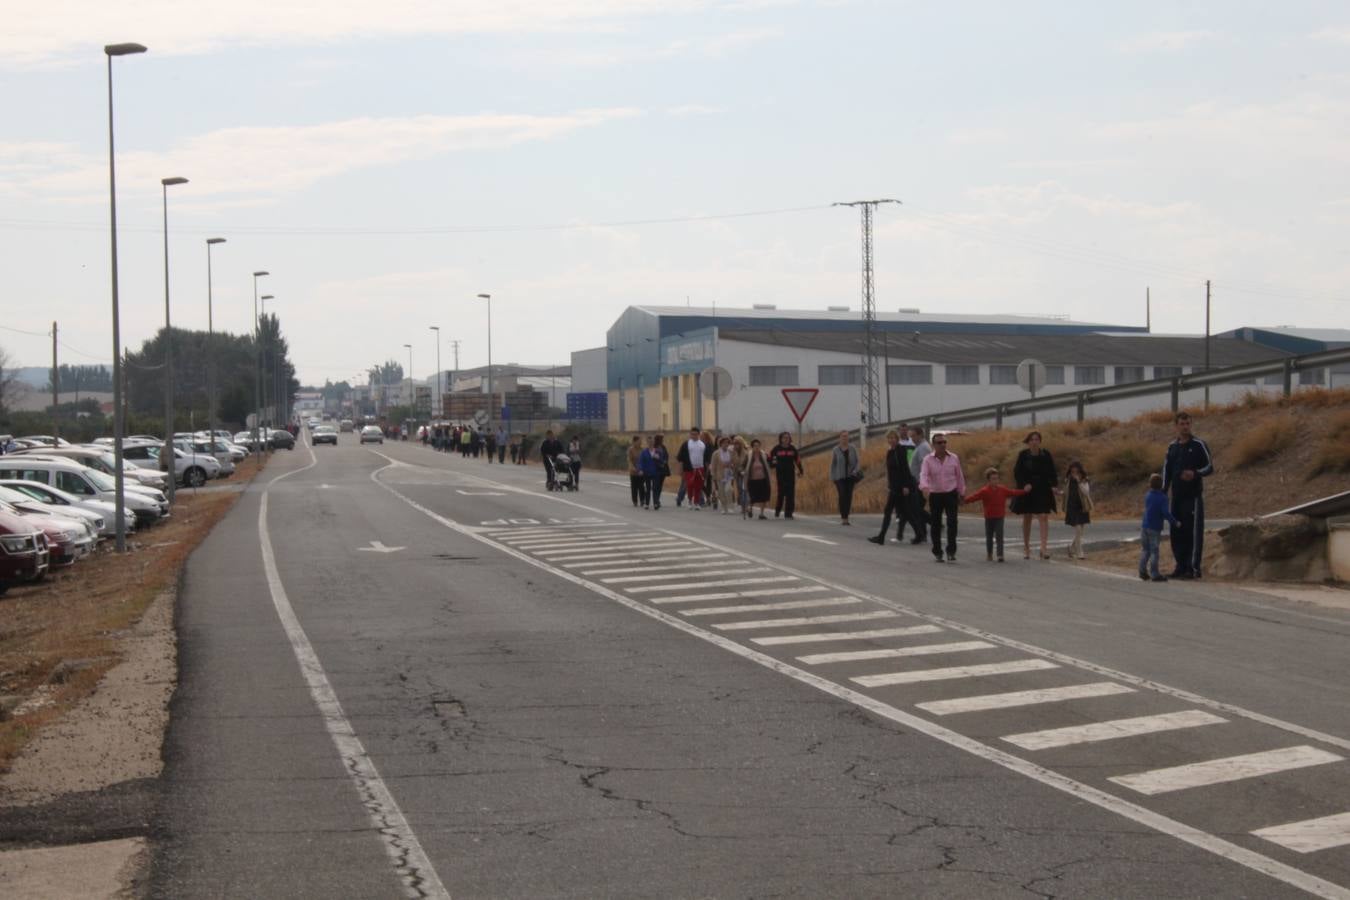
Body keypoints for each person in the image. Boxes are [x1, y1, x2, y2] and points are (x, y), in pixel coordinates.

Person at [1162, 411, 1214, 579]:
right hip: (1176, 497)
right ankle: (1180, 566)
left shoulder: (1199, 444)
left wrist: (1195, 473)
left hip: (1193, 497)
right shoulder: (1172, 447)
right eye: (1182, 424)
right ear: (1176, 426)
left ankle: (1192, 568)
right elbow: (1166, 471)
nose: (1185, 427)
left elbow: (1209, 467)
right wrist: (1162, 491)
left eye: (1187, 424)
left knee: (1192, 532)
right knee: (1177, 531)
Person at [962, 467, 1028, 562]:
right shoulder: (984, 491)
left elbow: (1013, 492)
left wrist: (1024, 491)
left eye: (997, 478)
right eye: (993, 479)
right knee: (989, 536)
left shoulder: (1002, 489)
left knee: (999, 535)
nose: (995, 481)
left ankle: (1000, 555)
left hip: (999, 517)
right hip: (989, 517)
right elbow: (974, 497)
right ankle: (989, 553)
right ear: (989, 480)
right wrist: (964, 501)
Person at [869, 429, 920, 546]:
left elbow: (905, 469)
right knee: (906, 512)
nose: (891, 440)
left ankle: (881, 537)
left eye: (893, 438)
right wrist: (889, 485)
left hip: (901, 487)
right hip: (894, 487)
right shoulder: (890, 452)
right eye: (889, 438)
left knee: (889, 511)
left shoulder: (900, 450)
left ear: (897, 439)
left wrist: (906, 486)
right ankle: (919, 534)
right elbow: (890, 471)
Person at [919, 434, 966, 562]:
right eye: (939, 443)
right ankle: (937, 551)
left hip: (951, 493)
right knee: (935, 524)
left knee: (952, 523)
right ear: (934, 445)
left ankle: (951, 551)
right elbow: (924, 475)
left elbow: (959, 476)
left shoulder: (953, 458)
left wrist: (962, 492)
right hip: (936, 494)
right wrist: (924, 487)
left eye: (944, 442)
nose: (943, 445)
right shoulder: (928, 460)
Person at [1012, 430, 1058, 560]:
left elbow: (1052, 471)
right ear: (1028, 441)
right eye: (1032, 439)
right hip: (1028, 488)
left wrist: (1054, 485)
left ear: (1040, 441)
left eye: (1036, 439)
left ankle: (1044, 549)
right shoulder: (1023, 455)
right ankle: (1026, 548)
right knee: (1027, 517)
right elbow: (1017, 472)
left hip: (1043, 488)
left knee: (1043, 516)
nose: (1034, 441)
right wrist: (1024, 484)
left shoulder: (1046, 454)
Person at [1140, 473, 1180, 582]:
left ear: (1150, 484)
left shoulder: (1148, 495)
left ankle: (1142, 571)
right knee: (1154, 551)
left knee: (1145, 550)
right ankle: (1154, 573)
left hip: (1145, 525)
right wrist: (1174, 522)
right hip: (1155, 526)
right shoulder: (1162, 498)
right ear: (1161, 485)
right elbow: (1165, 513)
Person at [904, 426, 932, 544]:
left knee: (916, 509)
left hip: (920, 483)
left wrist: (922, 483)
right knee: (917, 509)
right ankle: (922, 534)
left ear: (920, 435)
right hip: (916, 482)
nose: (912, 439)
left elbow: (924, 467)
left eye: (913, 436)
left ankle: (933, 523)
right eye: (910, 437)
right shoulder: (919, 447)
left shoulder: (923, 448)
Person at [828, 430, 862, 525]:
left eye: (846, 436)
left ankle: (846, 517)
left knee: (848, 496)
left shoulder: (853, 448)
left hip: (851, 476)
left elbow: (858, 461)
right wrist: (832, 476)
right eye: (843, 436)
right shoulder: (835, 449)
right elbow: (833, 464)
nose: (845, 438)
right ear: (840, 438)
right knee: (842, 495)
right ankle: (843, 517)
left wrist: (855, 471)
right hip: (839, 477)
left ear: (848, 437)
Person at [769, 431, 803, 519]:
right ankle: (778, 510)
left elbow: (798, 460)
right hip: (780, 474)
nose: (786, 439)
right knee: (781, 493)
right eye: (784, 437)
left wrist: (800, 470)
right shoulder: (776, 449)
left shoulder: (792, 449)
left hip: (790, 474)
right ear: (781, 439)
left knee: (790, 494)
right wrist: (773, 464)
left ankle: (788, 513)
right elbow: (770, 458)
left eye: (788, 437)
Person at [1063, 460, 1093, 559]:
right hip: (1071, 506)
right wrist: (1060, 493)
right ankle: (1080, 553)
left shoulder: (1084, 479)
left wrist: (1079, 481)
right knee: (1078, 529)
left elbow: (1086, 492)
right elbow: (1066, 492)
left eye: (1076, 471)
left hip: (1082, 506)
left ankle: (1071, 549)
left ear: (1080, 471)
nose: (1074, 473)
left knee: (1080, 532)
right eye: (1072, 471)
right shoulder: (1067, 479)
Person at [676, 428, 707, 510]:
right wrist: (680, 468)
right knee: (690, 485)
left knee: (698, 486)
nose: (694, 436)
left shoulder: (702, 445)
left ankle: (697, 503)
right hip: (689, 468)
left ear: (698, 434)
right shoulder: (686, 444)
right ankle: (690, 500)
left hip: (700, 468)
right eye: (692, 434)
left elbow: (706, 457)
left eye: (695, 434)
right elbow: (680, 457)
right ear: (690, 434)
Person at [744, 438, 772, 520]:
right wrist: (741, 471)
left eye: (758, 445)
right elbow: (743, 465)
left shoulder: (764, 455)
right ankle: (749, 508)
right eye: (755, 446)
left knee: (764, 497)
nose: (757, 447)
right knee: (753, 497)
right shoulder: (748, 456)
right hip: (752, 480)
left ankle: (761, 514)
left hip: (763, 479)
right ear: (752, 447)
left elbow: (770, 463)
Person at [626, 435, 647, 507]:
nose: (640, 442)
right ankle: (635, 500)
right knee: (634, 487)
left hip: (641, 472)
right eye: (638, 441)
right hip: (633, 472)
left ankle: (642, 500)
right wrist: (633, 468)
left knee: (642, 487)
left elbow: (645, 460)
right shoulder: (630, 450)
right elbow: (629, 460)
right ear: (634, 442)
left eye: (640, 441)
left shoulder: (643, 450)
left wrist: (643, 469)